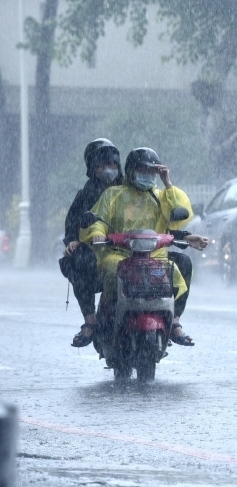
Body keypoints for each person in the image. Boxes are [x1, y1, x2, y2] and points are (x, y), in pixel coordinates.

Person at [80, 147, 208, 346]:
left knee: (179, 269)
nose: (147, 175)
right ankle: (104, 319)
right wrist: (97, 232)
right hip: (119, 255)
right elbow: (99, 219)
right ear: (131, 171)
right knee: (114, 273)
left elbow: (176, 218)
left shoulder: (161, 196)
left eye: (152, 171)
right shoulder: (113, 194)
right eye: (142, 170)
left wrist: (167, 182)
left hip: (155, 256)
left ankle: (174, 321)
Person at [61, 139, 123, 347]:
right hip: (98, 254)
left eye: (112, 165)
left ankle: (167, 321)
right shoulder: (85, 195)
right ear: (92, 169)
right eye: (101, 165)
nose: (108, 170)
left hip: (131, 249)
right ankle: (90, 320)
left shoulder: (131, 191)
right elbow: (72, 224)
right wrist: (73, 241)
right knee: (76, 261)